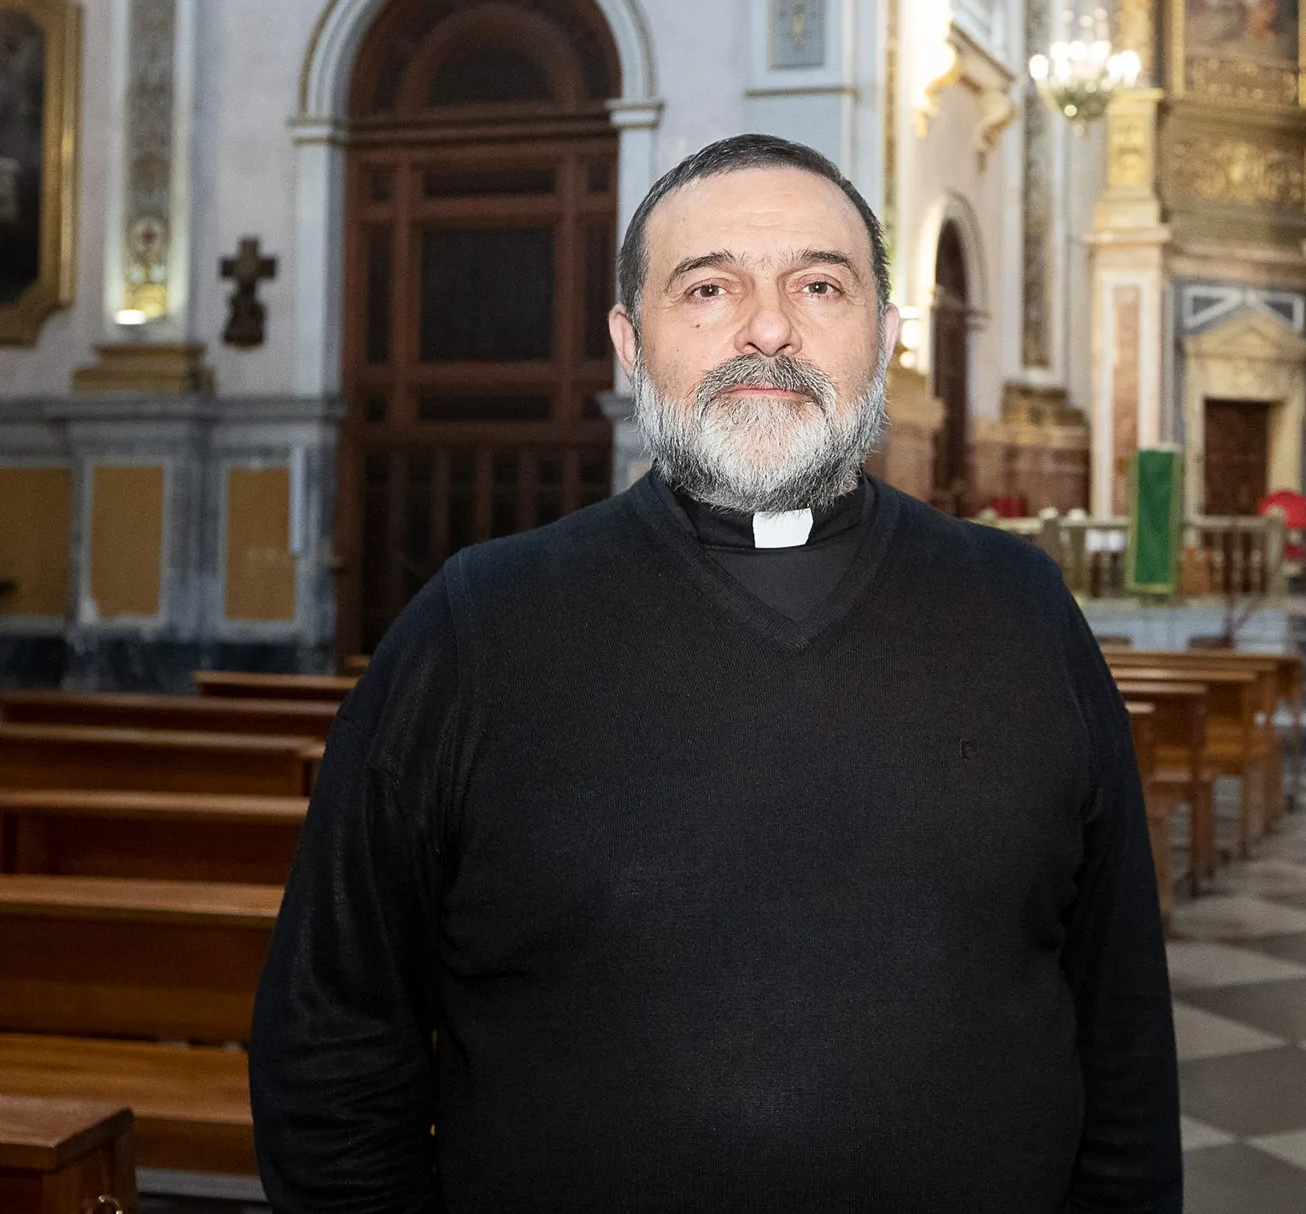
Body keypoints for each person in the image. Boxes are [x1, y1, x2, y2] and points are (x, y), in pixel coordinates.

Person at [250, 133, 1183, 1212]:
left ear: (884, 337)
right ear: (628, 342)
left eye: (819, 285)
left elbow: (1119, 1033)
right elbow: (332, 1041)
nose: (769, 327)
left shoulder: (1020, 613)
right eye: (708, 287)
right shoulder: (475, 629)